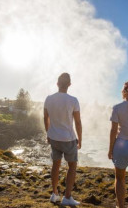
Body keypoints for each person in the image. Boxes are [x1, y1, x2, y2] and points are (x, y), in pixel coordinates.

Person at [44, 73, 82, 206]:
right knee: (72, 166)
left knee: (56, 164)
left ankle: (54, 194)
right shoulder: (73, 100)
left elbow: (46, 118)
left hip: (54, 137)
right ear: (69, 85)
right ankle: (67, 196)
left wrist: (48, 133)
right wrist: (80, 139)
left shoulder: (49, 99)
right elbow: (77, 123)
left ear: (57, 83)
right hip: (68, 139)